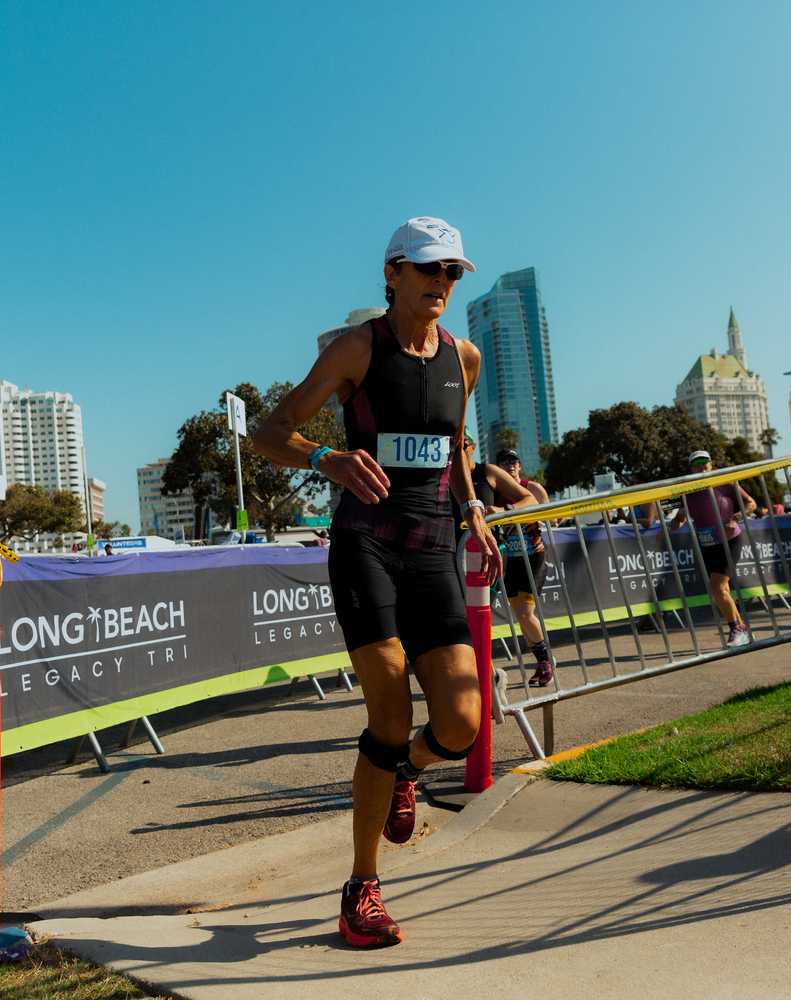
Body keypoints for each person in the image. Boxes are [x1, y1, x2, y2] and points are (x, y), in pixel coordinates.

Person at [254, 216, 499, 949]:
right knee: (388, 717)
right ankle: (361, 886)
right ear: (392, 273)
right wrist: (325, 458)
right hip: (366, 545)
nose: (441, 282)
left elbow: (456, 445)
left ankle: (407, 773)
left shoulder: (464, 357)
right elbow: (268, 431)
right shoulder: (357, 348)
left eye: (452, 271)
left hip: (433, 549)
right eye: (428, 268)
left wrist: (474, 507)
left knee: (461, 723)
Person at [671, 450, 757, 648]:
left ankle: (735, 629)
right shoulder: (686, 489)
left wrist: (735, 518)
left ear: (712, 464)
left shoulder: (725, 482)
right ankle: (742, 631)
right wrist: (674, 522)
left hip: (730, 540)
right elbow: (679, 517)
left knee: (717, 587)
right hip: (707, 543)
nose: (701, 468)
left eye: (705, 463)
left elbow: (751, 504)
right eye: (697, 465)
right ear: (690, 468)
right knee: (722, 590)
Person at [492, 447, 555, 685]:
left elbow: (552, 517)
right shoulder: (495, 493)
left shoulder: (533, 488)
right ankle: (542, 662)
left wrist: (533, 516)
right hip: (511, 559)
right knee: (521, 616)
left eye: (514, 461)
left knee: (526, 613)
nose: (510, 465)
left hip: (533, 555)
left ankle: (546, 663)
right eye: (504, 461)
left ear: (519, 465)